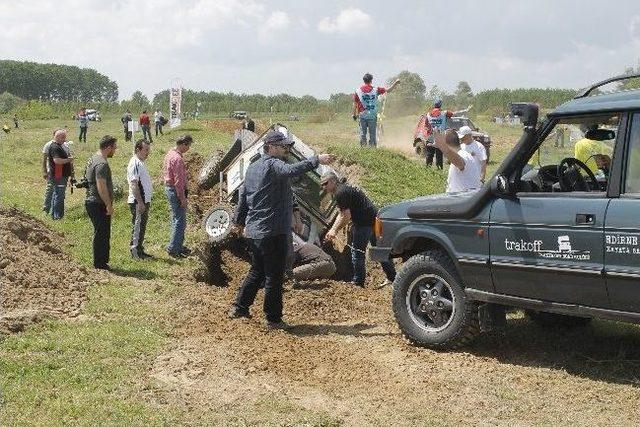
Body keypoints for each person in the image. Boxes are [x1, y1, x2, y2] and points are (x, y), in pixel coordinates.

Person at [229, 130, 336, 329]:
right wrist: (317, 160)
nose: (285, 149)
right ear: (270, 147)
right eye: (282, 146)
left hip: (255, 231)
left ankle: (239, 307)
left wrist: (240, 223)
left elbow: (243, 196)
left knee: (257, 271)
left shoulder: (252, 168)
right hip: (272, 230)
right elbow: (291, 171)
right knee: (274, 276)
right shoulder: (274, 164)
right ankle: (273, 319)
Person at [322, 171, 396, 288]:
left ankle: (358, 283)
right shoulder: (344, 188)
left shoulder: (340, 193)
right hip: (375, 219)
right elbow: (342, 213)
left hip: (364, 223)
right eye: (322, 185)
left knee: (357, 252)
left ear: (333, 181)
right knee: (378, 250)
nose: (324, 187)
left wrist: (333, 230)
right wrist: (334, 228)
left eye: (325, 183)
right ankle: (393, 278)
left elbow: (345, 216)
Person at [84, 135, 117, 270]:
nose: (115, 150)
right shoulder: (102, 164)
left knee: (101, 232)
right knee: (102, 234)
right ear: (108, 147)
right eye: (114, 148)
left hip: (92, 200)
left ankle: (101, 261)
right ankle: (100, 264)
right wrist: (108, 204)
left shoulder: (93, 158)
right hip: (98, 202)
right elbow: (101, 186)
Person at [163, 134, 192, 258]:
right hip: (176, 191)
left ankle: (178, 245)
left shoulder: (170, 153)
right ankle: (174, 249)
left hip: (169, 188)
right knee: (180, 220)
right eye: (188, 145)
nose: (189, 148)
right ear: (183, 144)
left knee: (176, 218)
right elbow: (178, 182)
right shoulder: (178, 159)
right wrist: (182, 198)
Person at [352, 73, 399, 148]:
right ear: (371, 81)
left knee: (363, 133)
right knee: (372, 134)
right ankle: (373, 148)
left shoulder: (358, 91)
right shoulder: (376, 89)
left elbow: (355, 104)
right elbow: (388, 90)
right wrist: (395, 83)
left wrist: (354, 115)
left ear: (364, 80)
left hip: (362, 116)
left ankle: (363, 148)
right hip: (372, 116)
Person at [423, 100, 472, 169]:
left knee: (429, 155)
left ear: (434, 105)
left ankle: (427, 171)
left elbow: (425, 125)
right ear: (440, 105)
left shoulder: (428, 114)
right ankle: (439, 172)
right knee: (439, 156)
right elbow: (455, 114)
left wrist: (430, 130)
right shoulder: (444, 113)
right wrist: (466, 110)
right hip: (440, 138)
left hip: (430, 137)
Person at [429, 129, 482, 193]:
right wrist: (441, 146)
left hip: (462, 200)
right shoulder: (464, 154)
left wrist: (442, 145)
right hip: (461, 199)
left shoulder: (463, 155)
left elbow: (460, 163)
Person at [127, 139, 153, 259]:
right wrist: (140, 202)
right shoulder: (135, 163)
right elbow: (134, 184)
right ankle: (135, 252)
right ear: (138, 149)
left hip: (144, 201)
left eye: (149, 149)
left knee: (142, 226)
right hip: (138, 201)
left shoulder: (140, 162)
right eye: (146, 150)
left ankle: (140, 250)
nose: (148, 152)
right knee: (138, 226)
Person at [42, 129, 72, 214]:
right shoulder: (49, 145)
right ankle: (46, 210)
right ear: (56, 136)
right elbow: (44, 159)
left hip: (62, 172)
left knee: (58, 192)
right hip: (54, 172)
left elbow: (68, 157)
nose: (65, 139)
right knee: (50, 190)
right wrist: (44, 171)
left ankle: (54, 212)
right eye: (63, 137)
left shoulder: (65, 145)